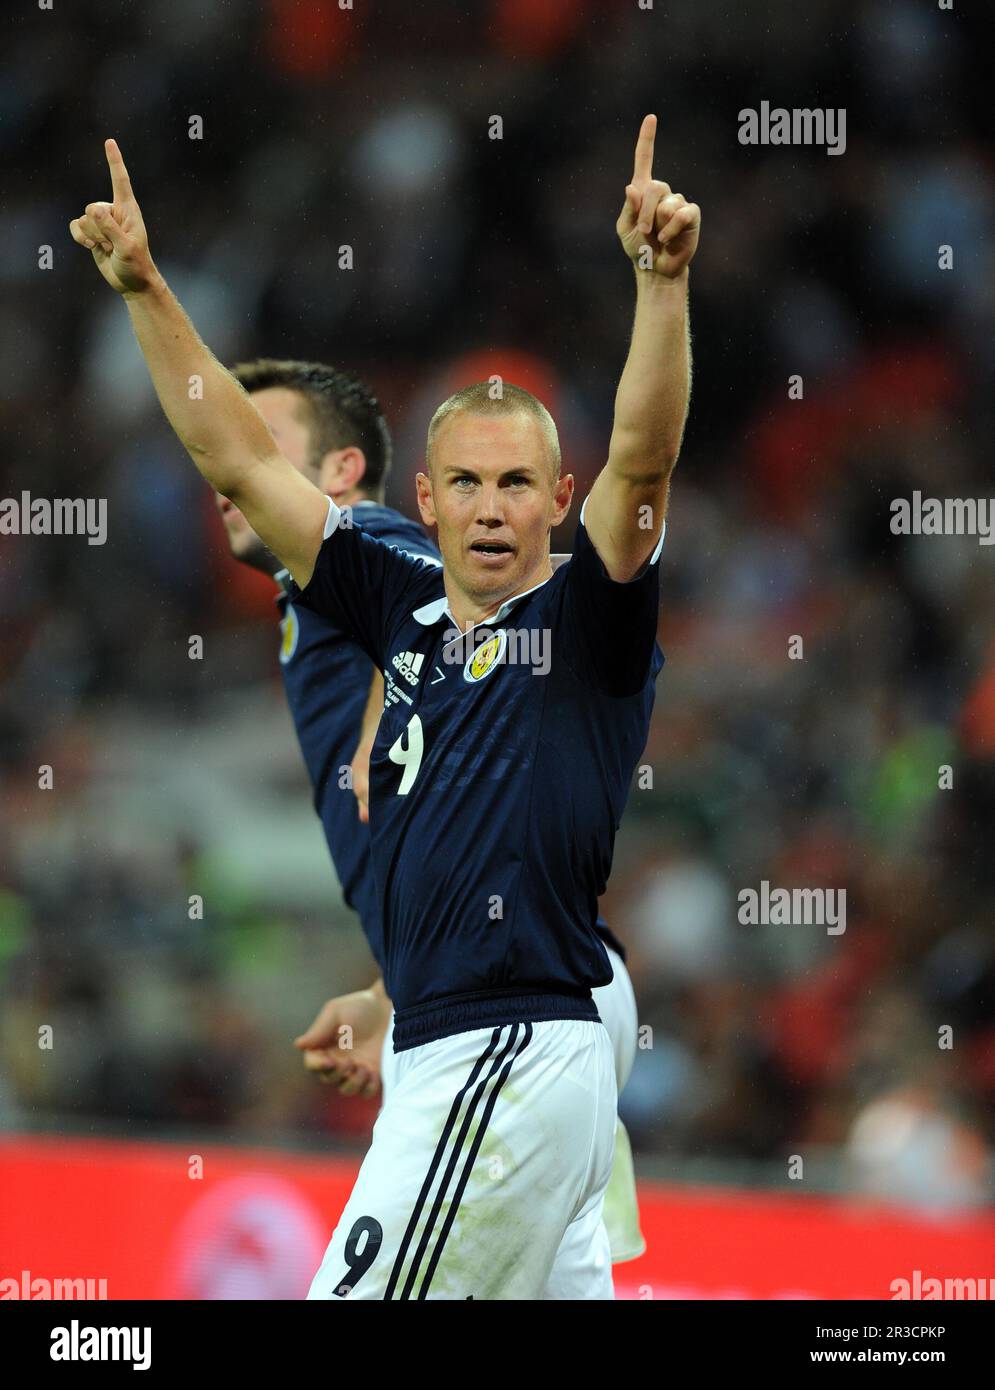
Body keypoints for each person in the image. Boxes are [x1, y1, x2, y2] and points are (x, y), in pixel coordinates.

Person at [69, 113, 697, 1298]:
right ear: (426, 497)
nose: (492, 506)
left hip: (502, 1044)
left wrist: (659, 284)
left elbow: (644, 459)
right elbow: (241, 462)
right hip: (460, 1041)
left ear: (557, 499)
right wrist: (146, 287)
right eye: (466, 481)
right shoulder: (390, 585)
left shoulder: (584, 618)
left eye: (518, 483)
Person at [221, 358, 648, 1267]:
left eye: (270, 441)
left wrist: (396, 690)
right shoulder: (336, 599)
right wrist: (389, 990)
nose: (231, 477)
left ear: (341, 473)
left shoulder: (386, 551)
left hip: (514, 1008)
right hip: (516, 998)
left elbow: (463, 606)